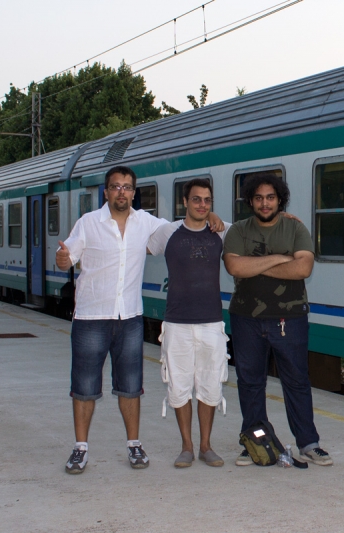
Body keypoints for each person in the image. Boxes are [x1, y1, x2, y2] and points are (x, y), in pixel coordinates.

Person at [56, 166, 223, 474]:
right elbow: (67, 255)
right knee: (84, 387)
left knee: (131, 387)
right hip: (91, 317)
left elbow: (182, 225)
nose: (122, 192)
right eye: (116, 187)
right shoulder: (88, 223)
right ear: (106, 192)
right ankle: (80, 448)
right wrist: (63, 259)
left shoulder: (146, 222)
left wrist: (215, 219)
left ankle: (134, 445)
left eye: (128, 187)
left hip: (130, 317)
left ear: (134, 192)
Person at [223, 174, 333, 467]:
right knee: (250, 382)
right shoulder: (238, 230)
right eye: (258, 198)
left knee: (296, 381)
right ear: (250, 201)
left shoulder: (295, 227)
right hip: (246, 317)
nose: (264, 203)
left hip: (290, 317)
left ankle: (309, 443)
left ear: (279, 199)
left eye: (270, 197)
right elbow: (234, 265)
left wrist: (255, 266)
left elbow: (303, 268)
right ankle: (255, 443)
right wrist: (280, 258)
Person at [147, 178, 230, 468]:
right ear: (185, 202)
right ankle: (186, 447)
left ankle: (206, 447)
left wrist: (287, 218)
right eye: (196, 200)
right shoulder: (167, 232)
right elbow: (135, 245)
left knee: (210, 385)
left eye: (207, 201)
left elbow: (255, 231)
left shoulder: (221, 232)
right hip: (177, 323)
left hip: (211, 323)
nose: (202, 205)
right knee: (179, 386)